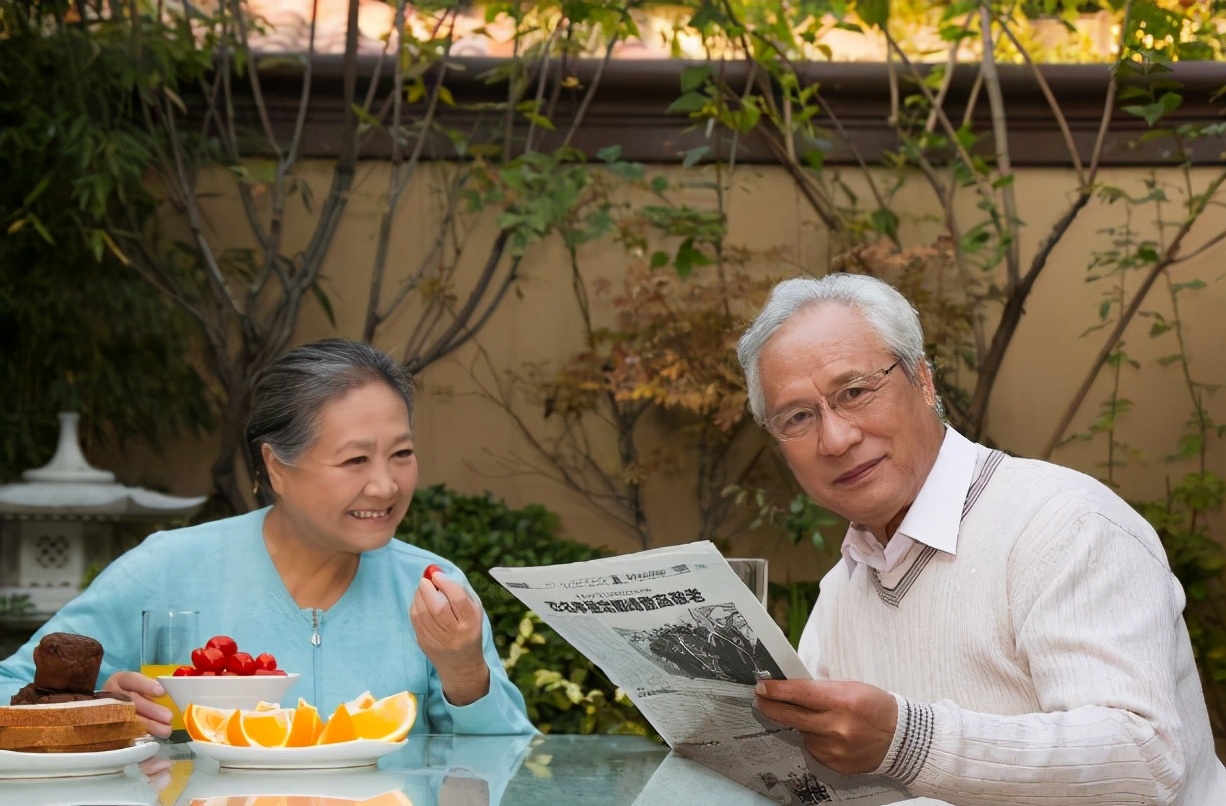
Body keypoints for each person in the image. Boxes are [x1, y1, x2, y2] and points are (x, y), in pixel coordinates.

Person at [737, 274, 1226, 804]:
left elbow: (1145, 761)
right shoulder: (842, 590)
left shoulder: (1062, 523)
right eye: (798, 417)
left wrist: (907, 740)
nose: (835, 438)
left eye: (854, 392)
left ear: (924, 381)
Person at [0, 339, 534, 738]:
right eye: (354, 459)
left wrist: (465, 671)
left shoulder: (432, 588)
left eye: (402, 453)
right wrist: (104, 709)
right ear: (276, 468)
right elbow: (11, 691)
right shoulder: (166, 568)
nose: (386, 484)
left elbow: (513, 766)